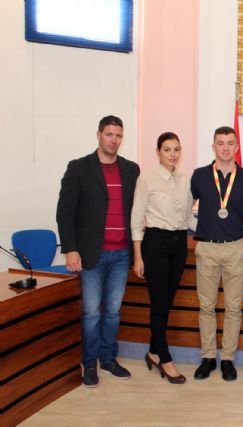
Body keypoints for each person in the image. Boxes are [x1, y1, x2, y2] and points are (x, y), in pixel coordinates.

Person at [56, 115, 140, 387]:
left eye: (118, 135)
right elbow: (65, 213)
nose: (114, 140)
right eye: (109, 134)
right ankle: (89, 363)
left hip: (121, 254)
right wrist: (70, 249)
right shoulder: (79, 168)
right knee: (91, 313)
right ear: (99, 135)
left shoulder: (131, 170)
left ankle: (108, 359)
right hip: (92, 254)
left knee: (113, 312)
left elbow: (137, 210)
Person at [191, 126, 243, 381]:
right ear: (213, 147)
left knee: (234, 307)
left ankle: (228, 358)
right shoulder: (200, 175)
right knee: (206, 306)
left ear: (236, 147)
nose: (225, 147)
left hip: (235, 248)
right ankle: (208, 356)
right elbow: (184, 206)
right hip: (207, 248)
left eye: (230, 143)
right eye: (220, 143)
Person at [131, 132, 196, 384]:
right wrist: (138, 257)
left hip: (179, 244)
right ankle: (165, 359)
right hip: (155, 243)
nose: (172, 154)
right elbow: (137, 219)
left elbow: (188, 217)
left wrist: (217, 227)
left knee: (166, 302)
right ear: (158, 152)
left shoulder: (185, 179)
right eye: (167, 149)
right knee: (158, 304)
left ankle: (153, 351)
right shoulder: (146, 179)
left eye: (176, 149)